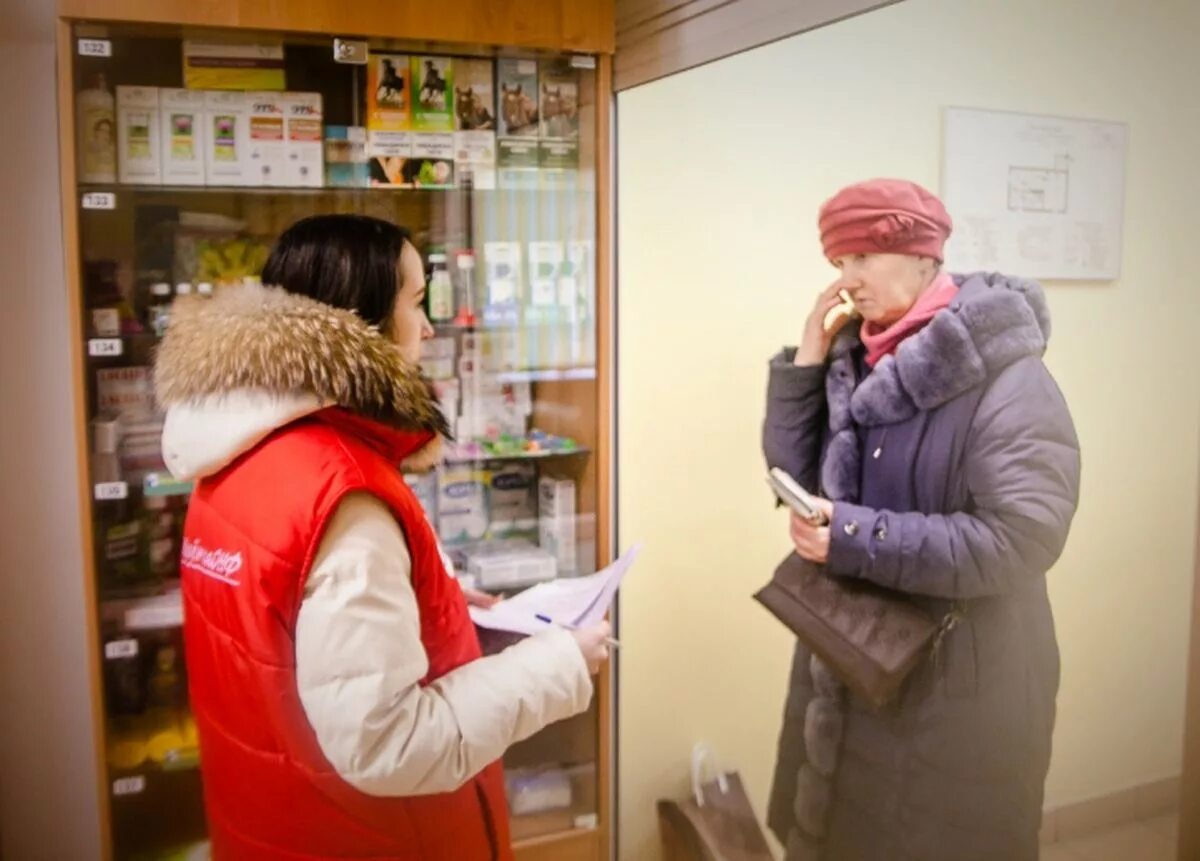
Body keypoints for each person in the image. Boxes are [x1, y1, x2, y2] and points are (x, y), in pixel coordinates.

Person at [155, 214, 610, 860]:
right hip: (373, 837)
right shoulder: (343, 493)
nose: (427, 327)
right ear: (363, 315)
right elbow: (387, 740)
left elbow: (283, 646)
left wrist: (452, 610)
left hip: (271, 823)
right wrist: (561, 662)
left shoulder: (230, 457)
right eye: (415, 302)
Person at [762, 179, 1081, 861]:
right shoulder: (857, 355)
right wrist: (809, 357)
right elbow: (790, 472)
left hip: (960, 686)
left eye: (860, 260)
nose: (845, 282)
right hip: (855, 664)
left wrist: (847, 535)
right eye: (837, 264)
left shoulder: (1007, 376)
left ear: (921, 254)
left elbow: (1021, 538)